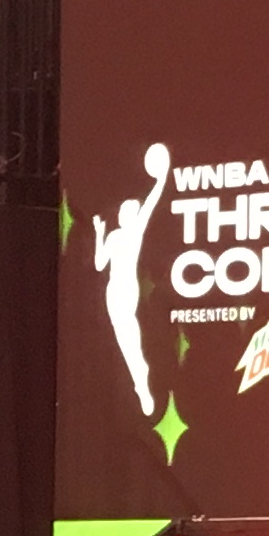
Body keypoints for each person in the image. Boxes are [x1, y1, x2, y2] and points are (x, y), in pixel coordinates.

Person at [90, 141, 169, 421]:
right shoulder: (114, 236)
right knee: (125, 338)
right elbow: (99, 264)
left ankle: (141, 379)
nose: (126, 214)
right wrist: (99, 234)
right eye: (124, 211)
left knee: (131, 336)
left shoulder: (136, 233)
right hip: (113, 292)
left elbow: (150, 205)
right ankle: (140, 378)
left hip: (128, 289)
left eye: (131, 211)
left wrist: (161, 179)